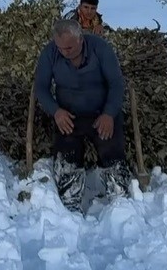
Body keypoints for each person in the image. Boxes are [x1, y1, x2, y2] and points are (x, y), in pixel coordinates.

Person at [33, 18, 132, 211]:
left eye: (69, 48)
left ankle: (119, 202)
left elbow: (116, 84)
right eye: (60, 48)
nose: (64, 52)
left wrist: (109, 113)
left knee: (111, 152)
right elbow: (41, 88)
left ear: (80, 39)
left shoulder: (101, 48)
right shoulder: (50, 53)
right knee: (67, 157)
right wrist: (56, 111)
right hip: (69, 116)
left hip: (101, 114)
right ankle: (70, 205)